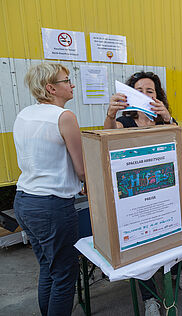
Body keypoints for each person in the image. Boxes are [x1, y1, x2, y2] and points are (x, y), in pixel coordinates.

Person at [103, 71, 182, 316]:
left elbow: (178, 145)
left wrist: (169, 117)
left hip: (166, 192)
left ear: (158, 95)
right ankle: (149, 297)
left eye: (149, 90)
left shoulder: (165, 121)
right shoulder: (125, 122)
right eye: (138, 90)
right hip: (136, 196)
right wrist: (111, 113)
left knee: (171, 235)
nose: (144, 95)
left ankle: (175, 272)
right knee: (143, 248)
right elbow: (108, 136)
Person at [13, 63, 85, 316]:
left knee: (48, 267)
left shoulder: (25, 114)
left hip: (24, 201)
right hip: (52, 205)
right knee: (65, 274)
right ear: (51, 88)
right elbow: (82, 169)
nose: (72, 84)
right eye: (67, 80)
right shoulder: (63, 117)